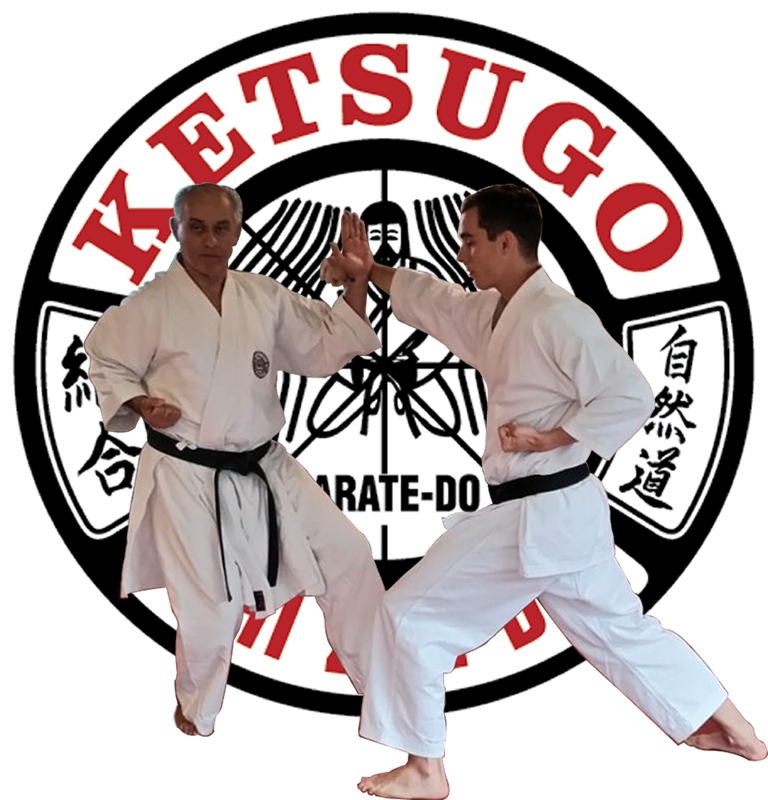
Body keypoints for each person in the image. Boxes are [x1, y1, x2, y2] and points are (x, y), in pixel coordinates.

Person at [322, 187, 766, 800]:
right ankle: (731, 726)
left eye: (471, 240)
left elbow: (631, 395)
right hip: (566, 517)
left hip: (536, 513)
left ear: (506, 242)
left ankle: (425, 768)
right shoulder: (499, 311)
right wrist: (372, 272)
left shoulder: (558, 316)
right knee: (619, 630)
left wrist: (552, 437)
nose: (463, 252)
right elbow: (438, 303)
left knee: (410, 617)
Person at [85, 183, 385, 737]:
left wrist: (358, 281)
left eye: (221, 228)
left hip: (267, 465)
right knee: (211, 609)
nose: (209, 240)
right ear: (176, 230)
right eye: (196, 227)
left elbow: (327, 340)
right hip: (187, 474)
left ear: (237, 232)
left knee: (350, 553)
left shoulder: (261, 296)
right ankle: (196, 709)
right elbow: (105, 357)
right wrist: (141, 403)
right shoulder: (151, 305)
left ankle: (384, 690)